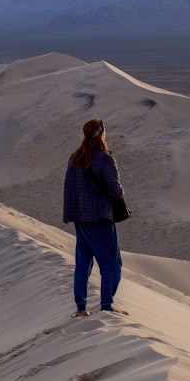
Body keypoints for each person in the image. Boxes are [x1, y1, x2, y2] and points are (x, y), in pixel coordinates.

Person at [63, 117, 126, 317]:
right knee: (111, 264)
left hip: (80, 218)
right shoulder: (104, 158)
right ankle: (106, 305)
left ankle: (80, 308)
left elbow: (69, 189)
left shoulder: (74, 158)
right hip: (99, 217)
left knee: (83, 263)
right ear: (101, 134)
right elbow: (116, 190)